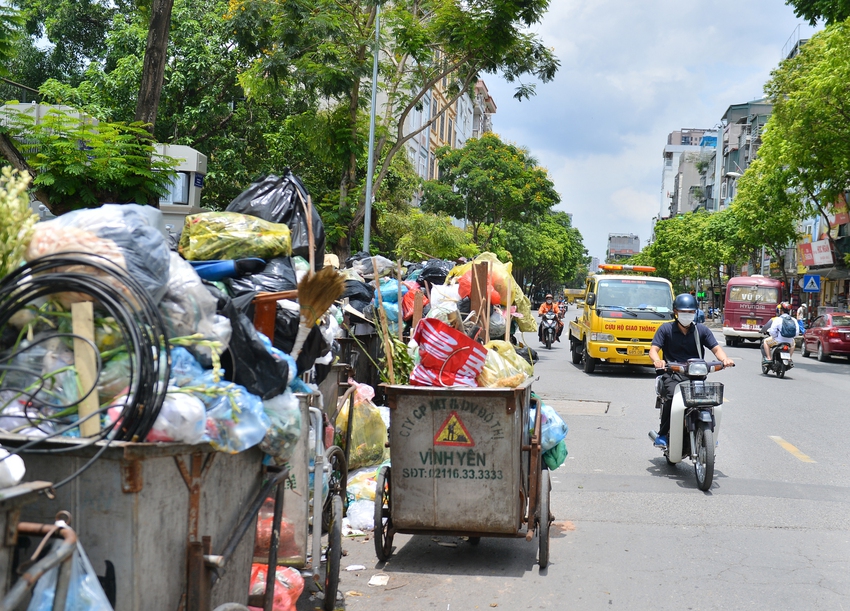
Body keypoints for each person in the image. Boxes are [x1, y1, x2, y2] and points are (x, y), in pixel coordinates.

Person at [648, 293, 735, 448]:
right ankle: (663, 435)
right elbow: (653, 350)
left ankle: (709, 434)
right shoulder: (666, 329)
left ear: (695, 312)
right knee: (671, 398)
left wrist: (725, 359)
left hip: (696, 375)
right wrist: (658, 361)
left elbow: (716, 349)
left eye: (690, 312)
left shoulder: (701, 330)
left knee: (707, 402)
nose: (687, 315)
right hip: (673, 374)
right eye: (683, 311)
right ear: (675, 312)